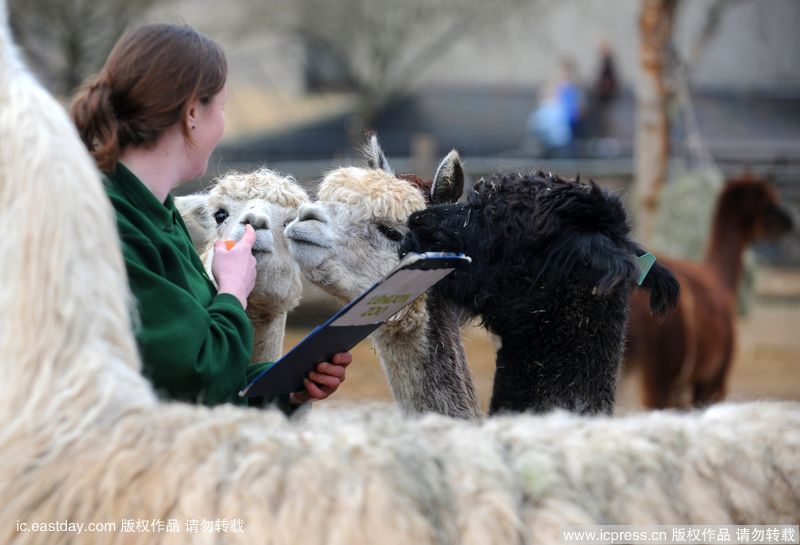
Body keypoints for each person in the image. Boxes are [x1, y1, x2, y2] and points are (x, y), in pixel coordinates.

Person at [70, 23, 350, 409]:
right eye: (222, 107)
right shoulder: (106, 222)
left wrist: (288, 387)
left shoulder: (158, 215)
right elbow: (196, 376)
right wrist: (232, 290)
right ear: (191, 114)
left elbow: (199, 388)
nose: (223, 123)